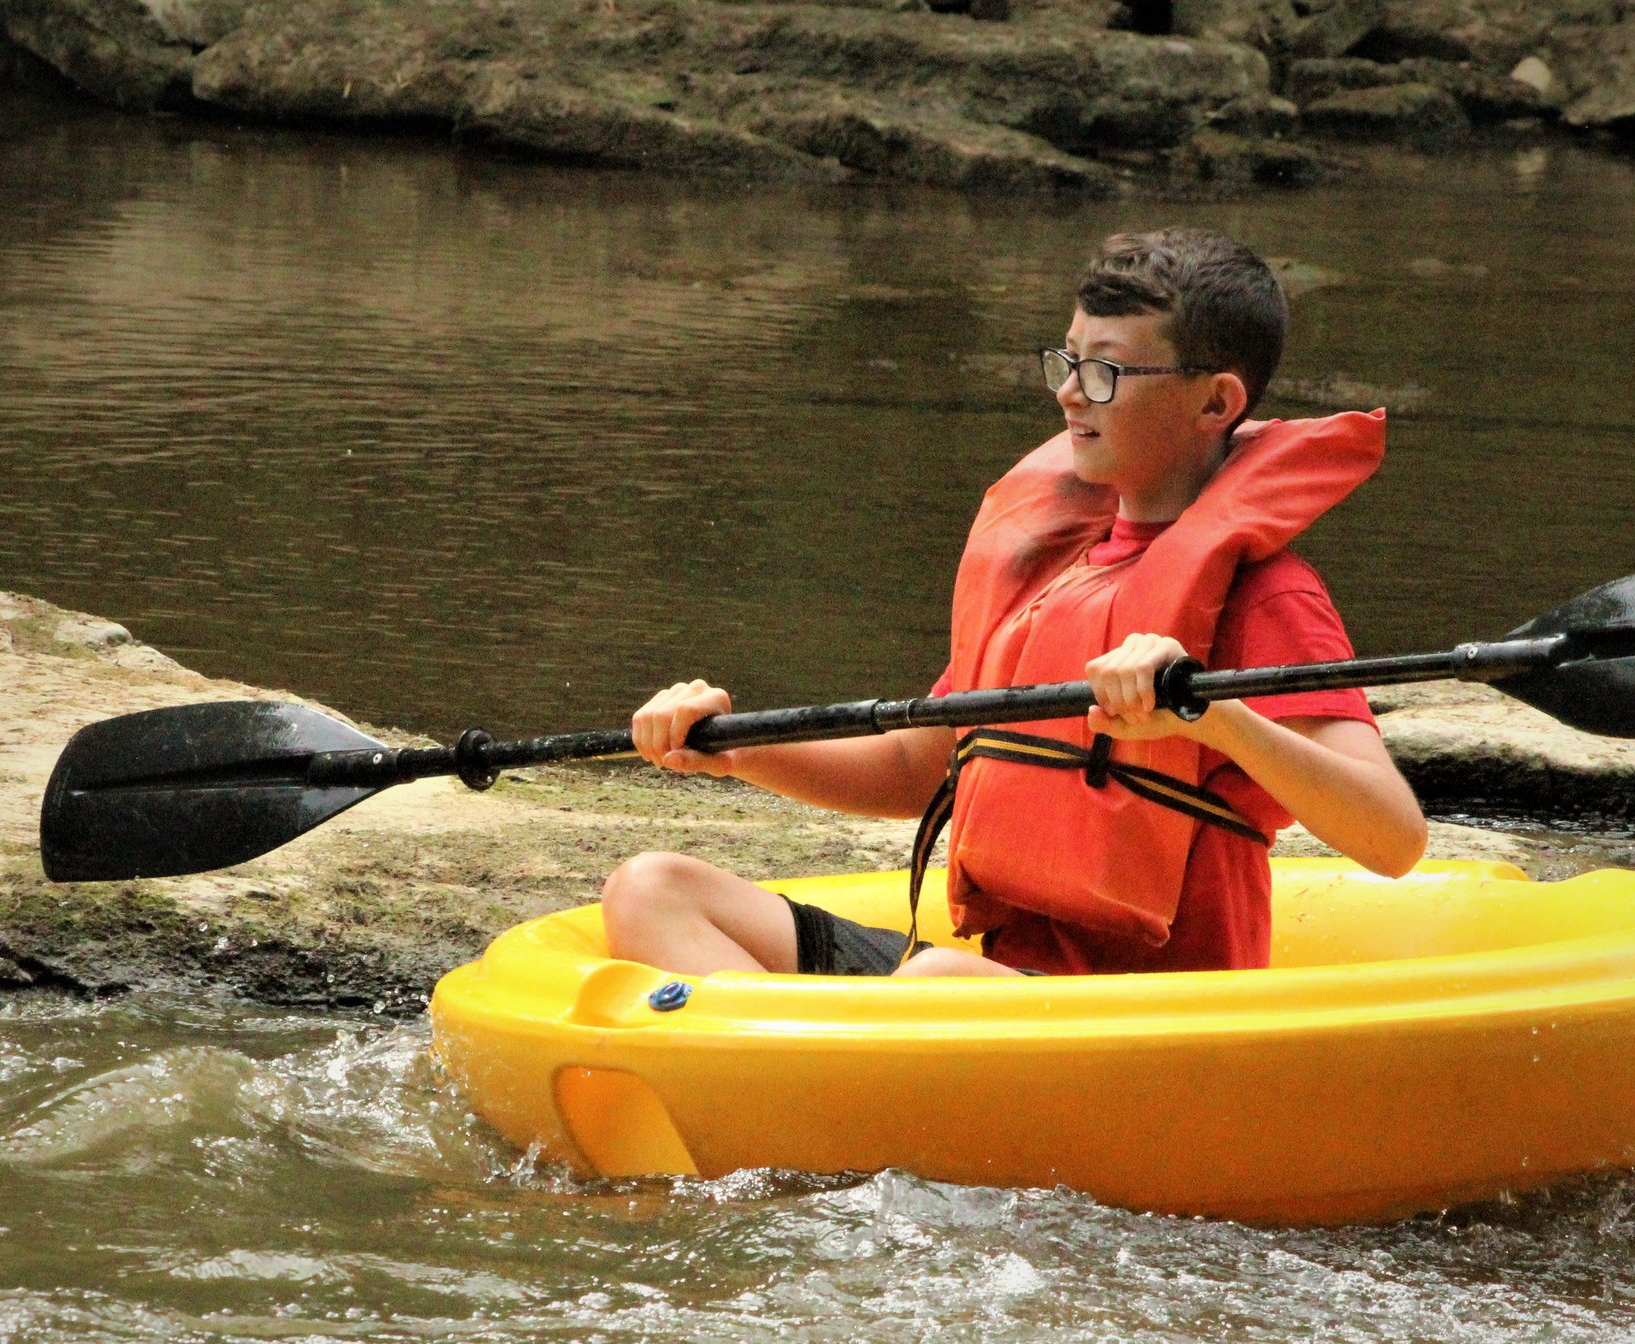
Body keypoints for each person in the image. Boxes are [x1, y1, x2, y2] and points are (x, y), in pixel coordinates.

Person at [601, 226, 1426, 980]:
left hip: (1148, 1020)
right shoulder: (1053, 569)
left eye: (1106, 371)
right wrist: (736, 749)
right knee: (652, 888)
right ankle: (793, 1107)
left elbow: (1393, 836)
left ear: (1216, 402)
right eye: (1065, 362)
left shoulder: (1268, 596)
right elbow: (917, 768)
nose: (1071, 394)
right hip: (1001, 991)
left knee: (932, 983)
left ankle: (796, 1110)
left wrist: (1211, 713)